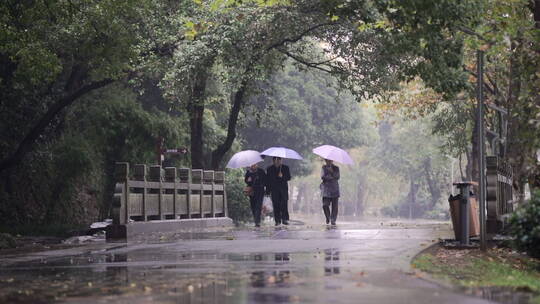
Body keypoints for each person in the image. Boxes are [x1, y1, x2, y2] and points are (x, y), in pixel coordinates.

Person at [266, 157, 291, 226]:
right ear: (273, 161)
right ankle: (277, 220)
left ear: (281, 160)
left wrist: (282, 176)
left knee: (284, 204)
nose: (277, 162)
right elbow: (268, 181)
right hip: (274, 190)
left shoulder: (285, 168)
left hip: (283, 190)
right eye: (275, 161)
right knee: (276, 205)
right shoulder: (269, 169)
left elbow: (289, 177)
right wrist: (267, 191)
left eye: (279, 160)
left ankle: (285, 219)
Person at [245, 163, 266, 227]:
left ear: (257, 165)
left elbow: (265, 180)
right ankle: (256, 220)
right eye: (252, 165)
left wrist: (260, 181)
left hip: (260, 191)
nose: (253, 166)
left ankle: (257, 222)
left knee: (258, 206)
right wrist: (248, 180)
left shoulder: (261, 171)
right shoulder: (248, 172)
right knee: (253, 206)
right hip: (252, 191)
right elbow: (246, 181)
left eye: (255, 164)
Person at [321, 159, 340, 225]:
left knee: (335, 206)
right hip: (326, 189)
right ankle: (328, 217)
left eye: (329, 160)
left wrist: (332, 172)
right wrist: (330, 177)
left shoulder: (336, 168)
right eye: (327, 160)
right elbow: (322, 177)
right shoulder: (324, 168)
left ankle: (333, 220)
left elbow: (337, 177)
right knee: (325, 205)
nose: (328, 162)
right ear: (325, 161)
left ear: (332, 161)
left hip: (335, 189)